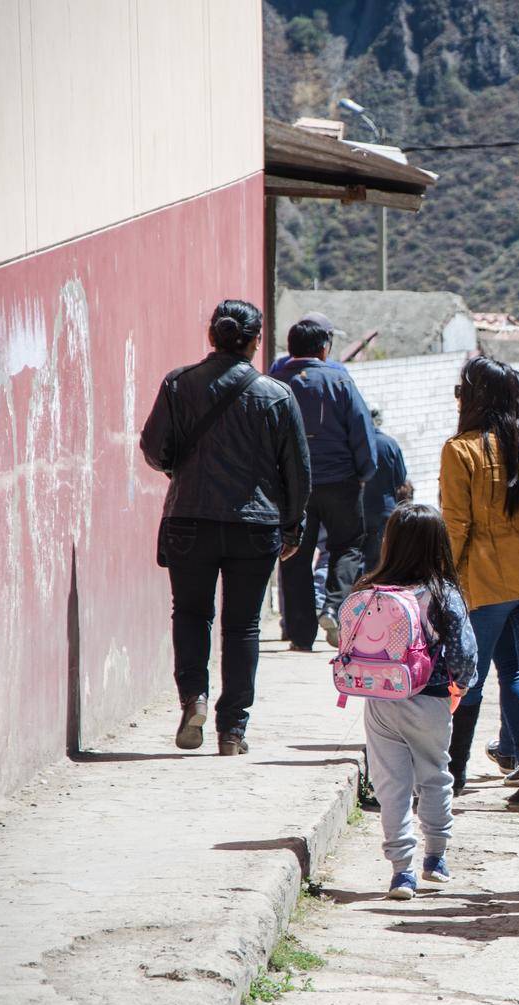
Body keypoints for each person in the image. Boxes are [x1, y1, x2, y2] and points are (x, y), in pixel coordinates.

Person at [139, 299, 310, 755]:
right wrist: (292, 527)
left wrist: (181, 467)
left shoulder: (178, 384)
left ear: (211, 336)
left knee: (191, 615)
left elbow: (155, 449)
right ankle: (232, 729)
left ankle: (193, 697)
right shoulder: (276, 395)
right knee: (243, 627)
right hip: (254, 527)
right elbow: (297, 470)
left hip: (189, 519)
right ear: (255, 341)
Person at [441, 355, 519, 799]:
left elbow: (456, 525)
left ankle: (454, 775)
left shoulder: (461, 450)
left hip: (485, 584)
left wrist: (442, 580)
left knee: (466, 676)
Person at [351, 503, 478, 900]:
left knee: (392, 786)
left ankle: (401, 872)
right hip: (431, 700)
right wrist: (464, 684)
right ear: (439, 544)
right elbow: (464, 655)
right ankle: (435, 857)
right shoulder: (444, 594)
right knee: (435, 776)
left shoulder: (370, 590)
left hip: (381, 698)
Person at [271, 313, 377, 651]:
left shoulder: (275, 379)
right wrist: (364, 472)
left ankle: (301, 636)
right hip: (340, 480)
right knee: (347, 545)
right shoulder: (340, 380)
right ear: (324, 348)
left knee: (294, 554)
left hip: (292, 485)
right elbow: (361, 429)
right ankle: (333, 605)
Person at [363, 408, 412, 570]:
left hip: (361, 510)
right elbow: (401, 479)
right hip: (386, 509)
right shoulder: (390, 444)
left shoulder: (357, 444)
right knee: (386, 559)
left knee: (364, 560)